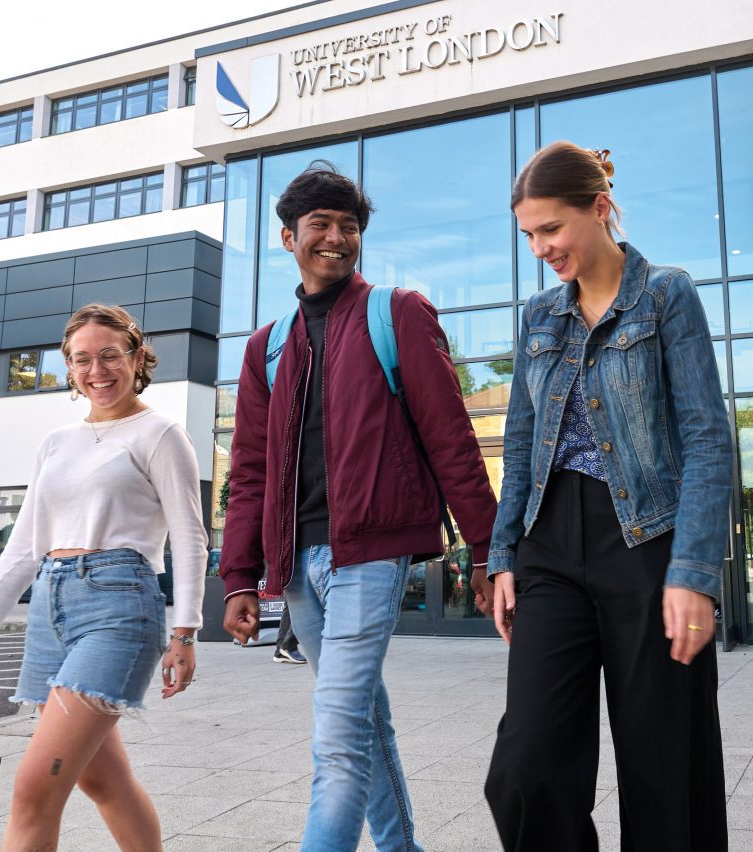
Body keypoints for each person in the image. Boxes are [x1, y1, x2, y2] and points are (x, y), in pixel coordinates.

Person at [219, 163, 497, 851]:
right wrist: (239, 577)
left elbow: (451, 437)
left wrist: (491, 548)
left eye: (350, 227)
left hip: (372, 550)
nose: (338, 239)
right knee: (364, 721)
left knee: (337, 738)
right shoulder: (267, 348)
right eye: (322, 225)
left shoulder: (396, 312)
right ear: (290, 237)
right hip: (298, 564)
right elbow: (248, 473)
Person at [484, 142, 732, 851]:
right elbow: (523, 444)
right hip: (550, 546)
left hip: (647, 543)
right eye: (529, 235)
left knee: (664, 767)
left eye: (551, 229)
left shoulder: (665, 295)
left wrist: (693, 574)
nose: (541, 248)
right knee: (527, 765)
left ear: (599, 210)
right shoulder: (539, 316)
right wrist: (505, 556)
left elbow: (708, 438)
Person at [0, 304, 207, 851]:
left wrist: (185, 631)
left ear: (136, 357)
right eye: (82, 360)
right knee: (102, 777)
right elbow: (25, 545)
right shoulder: (55, 443)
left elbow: (191, 536)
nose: (98, 370)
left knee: (32, 788)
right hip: (50, 607)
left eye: (110, 355)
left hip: (118, 606)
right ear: (69, 369)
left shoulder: (160, 433)